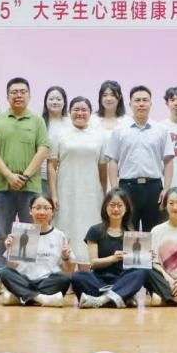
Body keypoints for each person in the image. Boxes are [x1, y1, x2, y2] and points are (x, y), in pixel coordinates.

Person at [0, 77, 50, 268]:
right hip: (1, 186)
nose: (18, 95)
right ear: (7, 96)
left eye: (23, 92)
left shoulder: (37, 121)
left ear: (29, 95)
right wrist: (9, 175)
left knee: (28, 232)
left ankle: (24, 273)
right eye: (14, 92)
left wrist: (25, 176)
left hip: (30, 187)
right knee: (1, 233)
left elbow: (43, 150)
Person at [106, 86, 173, 234]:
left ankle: (154, 252)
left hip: (154, 188)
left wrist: (167, 188)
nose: (141, 104)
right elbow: (113, 161)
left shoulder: (161, 130)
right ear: (130, 104)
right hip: (127, 187)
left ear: (151, 104)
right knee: (128, 231)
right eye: (137, 100)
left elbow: (168, 160)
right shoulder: (119, 130)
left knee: (155, 232)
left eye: (145, 100)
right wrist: (114, 189)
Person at [50, 96, 108, 263]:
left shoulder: (100, 135)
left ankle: (88, 266)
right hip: (66, 190)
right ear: (69, 112)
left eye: (84, 110)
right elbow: (52, 166)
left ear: (90, 113)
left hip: (91, 192)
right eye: (76, 109)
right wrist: (53, 194)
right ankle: (64, 267)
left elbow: (102, 169)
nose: (80, 113)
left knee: (89, 226)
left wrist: (104, 194)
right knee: (66, 225)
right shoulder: (59, 134)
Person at [73, 189, 149, 308]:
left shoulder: (130, 233)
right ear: (105, 207)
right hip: (98, 281)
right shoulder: (95, 231)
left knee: (141, 272)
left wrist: (146, 257)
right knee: (78, 276)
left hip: (121, 280)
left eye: (120, 205)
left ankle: (102, 300)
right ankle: (121, 296)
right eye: (112, 205)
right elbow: (93, 263)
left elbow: (135, 264)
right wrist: (113, 258)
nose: (116, 209)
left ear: (126, 208)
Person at [0, 193, 75, 306]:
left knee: (63, 279)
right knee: (5, 273)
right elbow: (12, 266)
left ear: (52, 212)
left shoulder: (59, 235)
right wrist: (9, 250)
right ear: (30, 211)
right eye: (37, 208)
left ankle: (21, 296)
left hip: (47, 281)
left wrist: (65, 257)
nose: (42, 212)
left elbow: (69, 269)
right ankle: (41, 298)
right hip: (25, 280)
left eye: (46, 208)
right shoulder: (22, 232)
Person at [40, 86, 69, 198]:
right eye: (51, 99)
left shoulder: (70, 123)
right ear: (45, 102)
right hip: (42, 177)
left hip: (66, 177)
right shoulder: (39, 123)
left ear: (64, 102)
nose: (55, 102)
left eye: (58, 99)